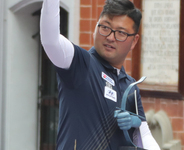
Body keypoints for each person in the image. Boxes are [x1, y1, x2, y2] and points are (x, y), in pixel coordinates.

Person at [40, 0, 160, 149]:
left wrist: (134, 122)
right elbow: (51, 42)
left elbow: (144, 134)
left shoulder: (131, 87)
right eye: (105, 27)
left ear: (134, 41)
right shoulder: (80, 63)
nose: (110, 37)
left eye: (121, 33)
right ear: (95, 28)